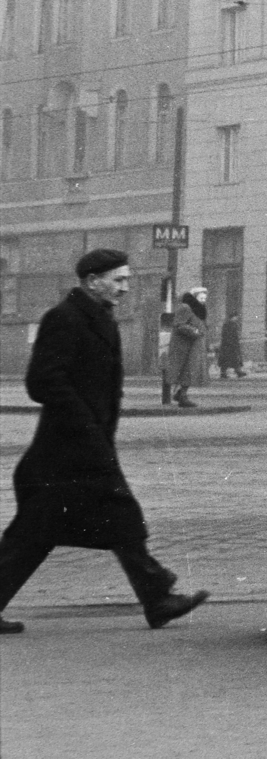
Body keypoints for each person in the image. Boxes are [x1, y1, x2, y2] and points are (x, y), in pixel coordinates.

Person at [0, 249, 209, 636]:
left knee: (116, 520)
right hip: (62, 454)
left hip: (86, 450)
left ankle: (158, 597)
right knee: (42, 533)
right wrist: (83, 421)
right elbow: (41, 381)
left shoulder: (101, 319)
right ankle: (158, 595)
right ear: (92, 280)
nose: (125, 288)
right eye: (118, 280)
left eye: (127, 280)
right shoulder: (63, 319)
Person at [165, 287, 209, 408]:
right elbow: (179, 325)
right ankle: (182, 397)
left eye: (205, 298)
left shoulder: (198, 310)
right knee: (187, 371)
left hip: (193, 346)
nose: (203, 301)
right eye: (201, 298)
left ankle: (180, 394)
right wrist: (195, 331)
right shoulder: (186, 307)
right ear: (194, 297)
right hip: (184, 346)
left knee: (190, 371)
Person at [216, 314, 245, 379]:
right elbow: (231, 335)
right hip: (230, 346)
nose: (236, 319)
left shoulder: (229, 324)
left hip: (228, 345)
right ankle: (236, 372)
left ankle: (236, 372)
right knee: (231, 359)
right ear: (232, 317)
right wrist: (233, 342)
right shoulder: (230, 324)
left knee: (231, 360)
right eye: (236, 317)